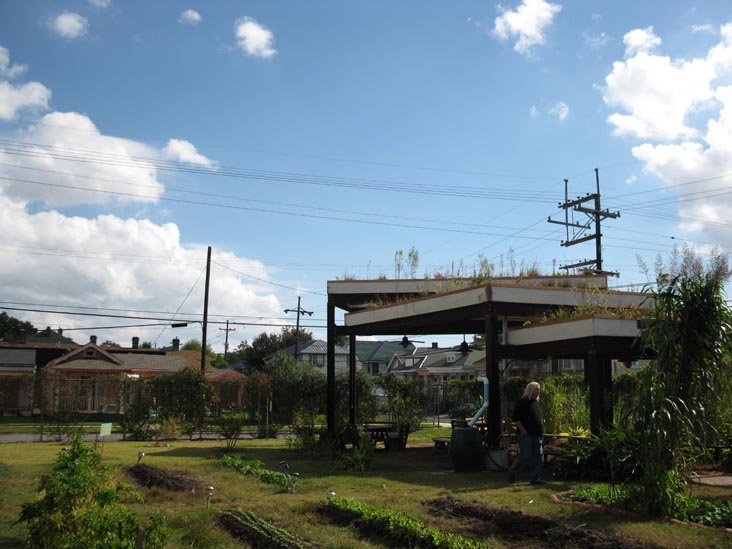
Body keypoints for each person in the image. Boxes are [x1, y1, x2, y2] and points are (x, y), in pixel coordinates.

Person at [508, 381, 544, 485]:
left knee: (538, 457)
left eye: (539, 389)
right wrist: (523, 430)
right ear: (531, 390)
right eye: (537, 389)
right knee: (525, 455)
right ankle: (512, 471)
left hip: (537, 435)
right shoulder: (522, 402)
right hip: (527, 435)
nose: (539, 391)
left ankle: (535, 478)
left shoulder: (536, 403)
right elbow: (516, 418)